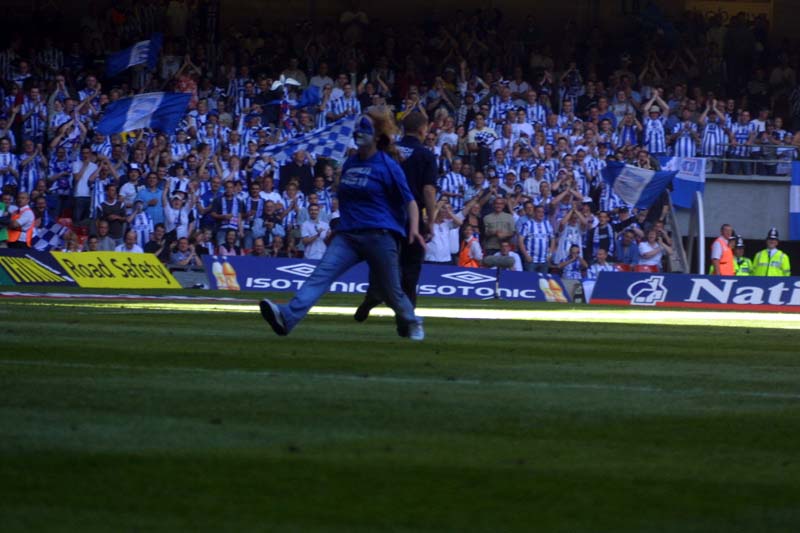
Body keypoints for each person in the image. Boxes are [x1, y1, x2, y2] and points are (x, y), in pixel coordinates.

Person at [259, 109, 426, 340]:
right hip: (348, 236)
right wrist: (336, 229)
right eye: (357, 129)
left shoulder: (388, 165)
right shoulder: (349, 163)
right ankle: (286, 318)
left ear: (377, 136)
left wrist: (414, 230)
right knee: (321, 275)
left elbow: (410, 201)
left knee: (392, 291)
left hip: (379, 235)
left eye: (364, 129)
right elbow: (345, 201)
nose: (358, 133)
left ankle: (412, 321)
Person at [353, 110, 437, 321]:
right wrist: (431, 221)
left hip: (385, 214)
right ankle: (406, 316)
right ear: (421, 129)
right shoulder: (426, 155)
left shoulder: (388, 150)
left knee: (384, 258)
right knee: (410, 266)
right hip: (412, 215)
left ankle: (374, 292)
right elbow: (428, 190)